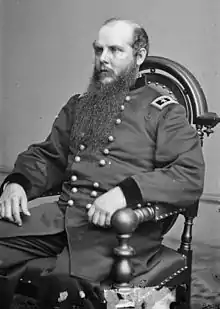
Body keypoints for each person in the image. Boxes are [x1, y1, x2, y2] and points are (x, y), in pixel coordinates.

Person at [0, 17, 205, 309]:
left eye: (115, 51)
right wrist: (17, 183)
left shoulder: (163, 112)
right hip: (64, 218)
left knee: (68, 287)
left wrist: (124, 194)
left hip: (122, 233)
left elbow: (188, 175)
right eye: (99, 50)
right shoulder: (81, 105)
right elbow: (49, 156)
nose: (103, 59)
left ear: (139, 55)